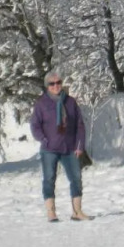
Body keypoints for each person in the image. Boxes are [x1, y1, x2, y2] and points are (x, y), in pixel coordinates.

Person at [30, 71, 92, 222]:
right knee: (49, 179)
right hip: (49, 149)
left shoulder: (70, 102)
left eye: (58, 82)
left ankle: (77, 211)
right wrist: (44, 140)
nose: (56, 86)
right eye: (52, 84)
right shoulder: (42, 104)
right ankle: (51, 212)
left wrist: (79, 146)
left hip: (70, 148)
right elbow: (35, 125)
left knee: (76, 178)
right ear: (47, 86)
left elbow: (80, 125)